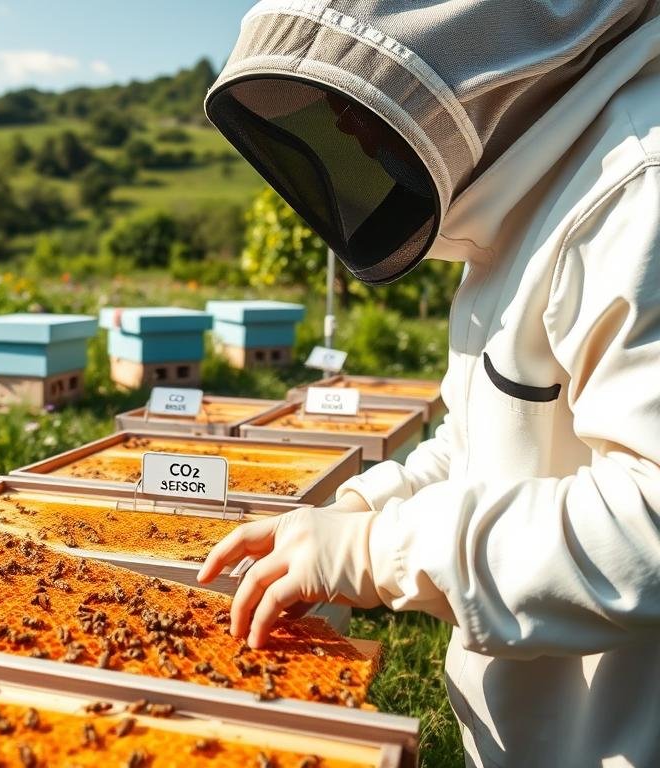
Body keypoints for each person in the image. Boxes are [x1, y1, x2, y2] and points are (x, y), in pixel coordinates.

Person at [197, 2, 660, 766]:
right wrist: (359, 507)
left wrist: (377, 552)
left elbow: (647, 522)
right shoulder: (535, 184)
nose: (345, 129)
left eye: (355, 95)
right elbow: (487, 443)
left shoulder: (637, 189)